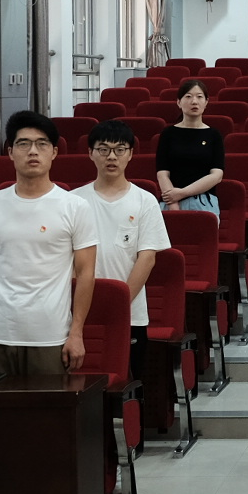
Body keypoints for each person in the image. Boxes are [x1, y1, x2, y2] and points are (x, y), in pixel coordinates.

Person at [0, 111, 99, 494]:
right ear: (10, 152)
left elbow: (86, 273)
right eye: (23, 144)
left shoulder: (73, 207)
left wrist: (76, 332)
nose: (32, 152)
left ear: (55, 152)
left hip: (48, 335)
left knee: (50, 429)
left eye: (41, 144)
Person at [83, 120, 173, 362]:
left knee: (128, 378)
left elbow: (147, 259)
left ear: (131, 154)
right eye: (103, 149)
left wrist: (119, 302)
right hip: (80, 311)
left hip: (130, 313)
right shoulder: (73, 201)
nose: (111, 156)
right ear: (91, 153)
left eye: (120, 149)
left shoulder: (145, 201)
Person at [156, 78, 225, 212]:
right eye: (188, 96)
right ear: (179, 102)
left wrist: (182, 193)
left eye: (199, 97)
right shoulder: (168, 133)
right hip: (170, 200)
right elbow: (162, 173)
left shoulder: (214, 135)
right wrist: (173, 203)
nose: (194, 101)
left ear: (206, 102)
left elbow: (217, 175)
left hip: (203, 201)